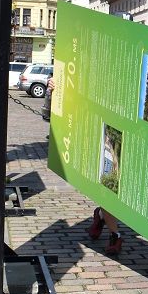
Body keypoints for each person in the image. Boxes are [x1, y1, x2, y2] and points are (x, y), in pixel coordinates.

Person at [47, 76, 123, 255]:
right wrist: (55, 87)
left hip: (127, 133)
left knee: (122, 192)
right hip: (101, 135)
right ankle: (115, 235)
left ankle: (101, 216)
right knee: (109, 189)